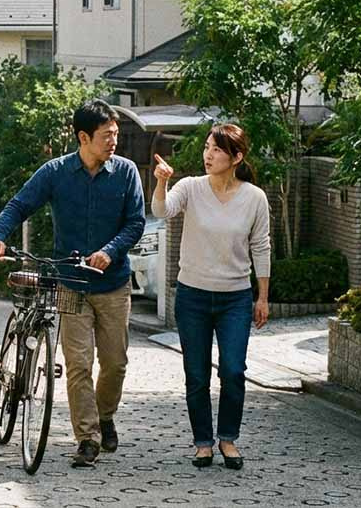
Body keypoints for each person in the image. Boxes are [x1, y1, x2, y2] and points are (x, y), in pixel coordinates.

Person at [0, 100, 146, 468]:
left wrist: (110, 250)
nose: (113, 143)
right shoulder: (55, 172)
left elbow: (135, 223)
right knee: (77, 364)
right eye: (107, 136)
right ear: (83, 137)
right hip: (71, 283)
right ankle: (87, 438)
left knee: (115, 363)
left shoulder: (126, 172)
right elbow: (19, 204)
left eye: (115, 136)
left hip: (113, 282)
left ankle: (105, 415)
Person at [150, 123, 271, 471]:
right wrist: (161, 181)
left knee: (233, 371)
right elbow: (162, 211)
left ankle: (228, 439)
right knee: (197, 374)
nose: (208, 154)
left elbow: (261, 247)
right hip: (193, 296)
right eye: (207, 147)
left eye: (217, 150)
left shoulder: (254, 198)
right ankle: (203, 442)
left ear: (237, 157)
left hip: (235, 298)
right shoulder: (190, 188)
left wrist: (262, 296)